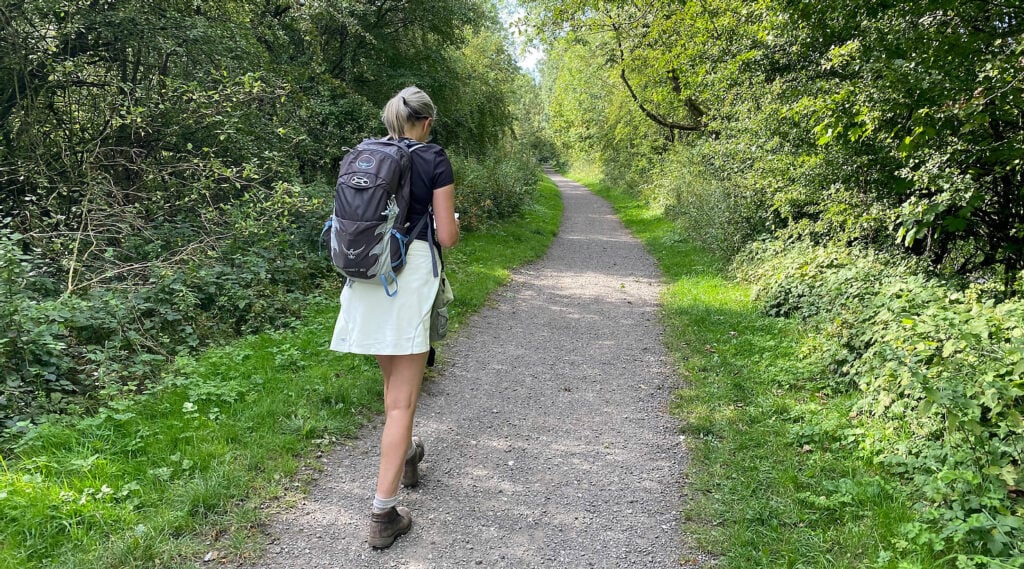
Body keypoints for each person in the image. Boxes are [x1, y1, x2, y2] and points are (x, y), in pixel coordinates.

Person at [329, 86, 459, 549]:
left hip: (367, 277)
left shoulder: (365, 154)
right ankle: (383, 514)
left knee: (392, 392)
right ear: (425, 122)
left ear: (391, 120)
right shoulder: (432, 157)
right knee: (402, 402)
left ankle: (406, 454)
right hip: (410, 276)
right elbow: (447, 234)